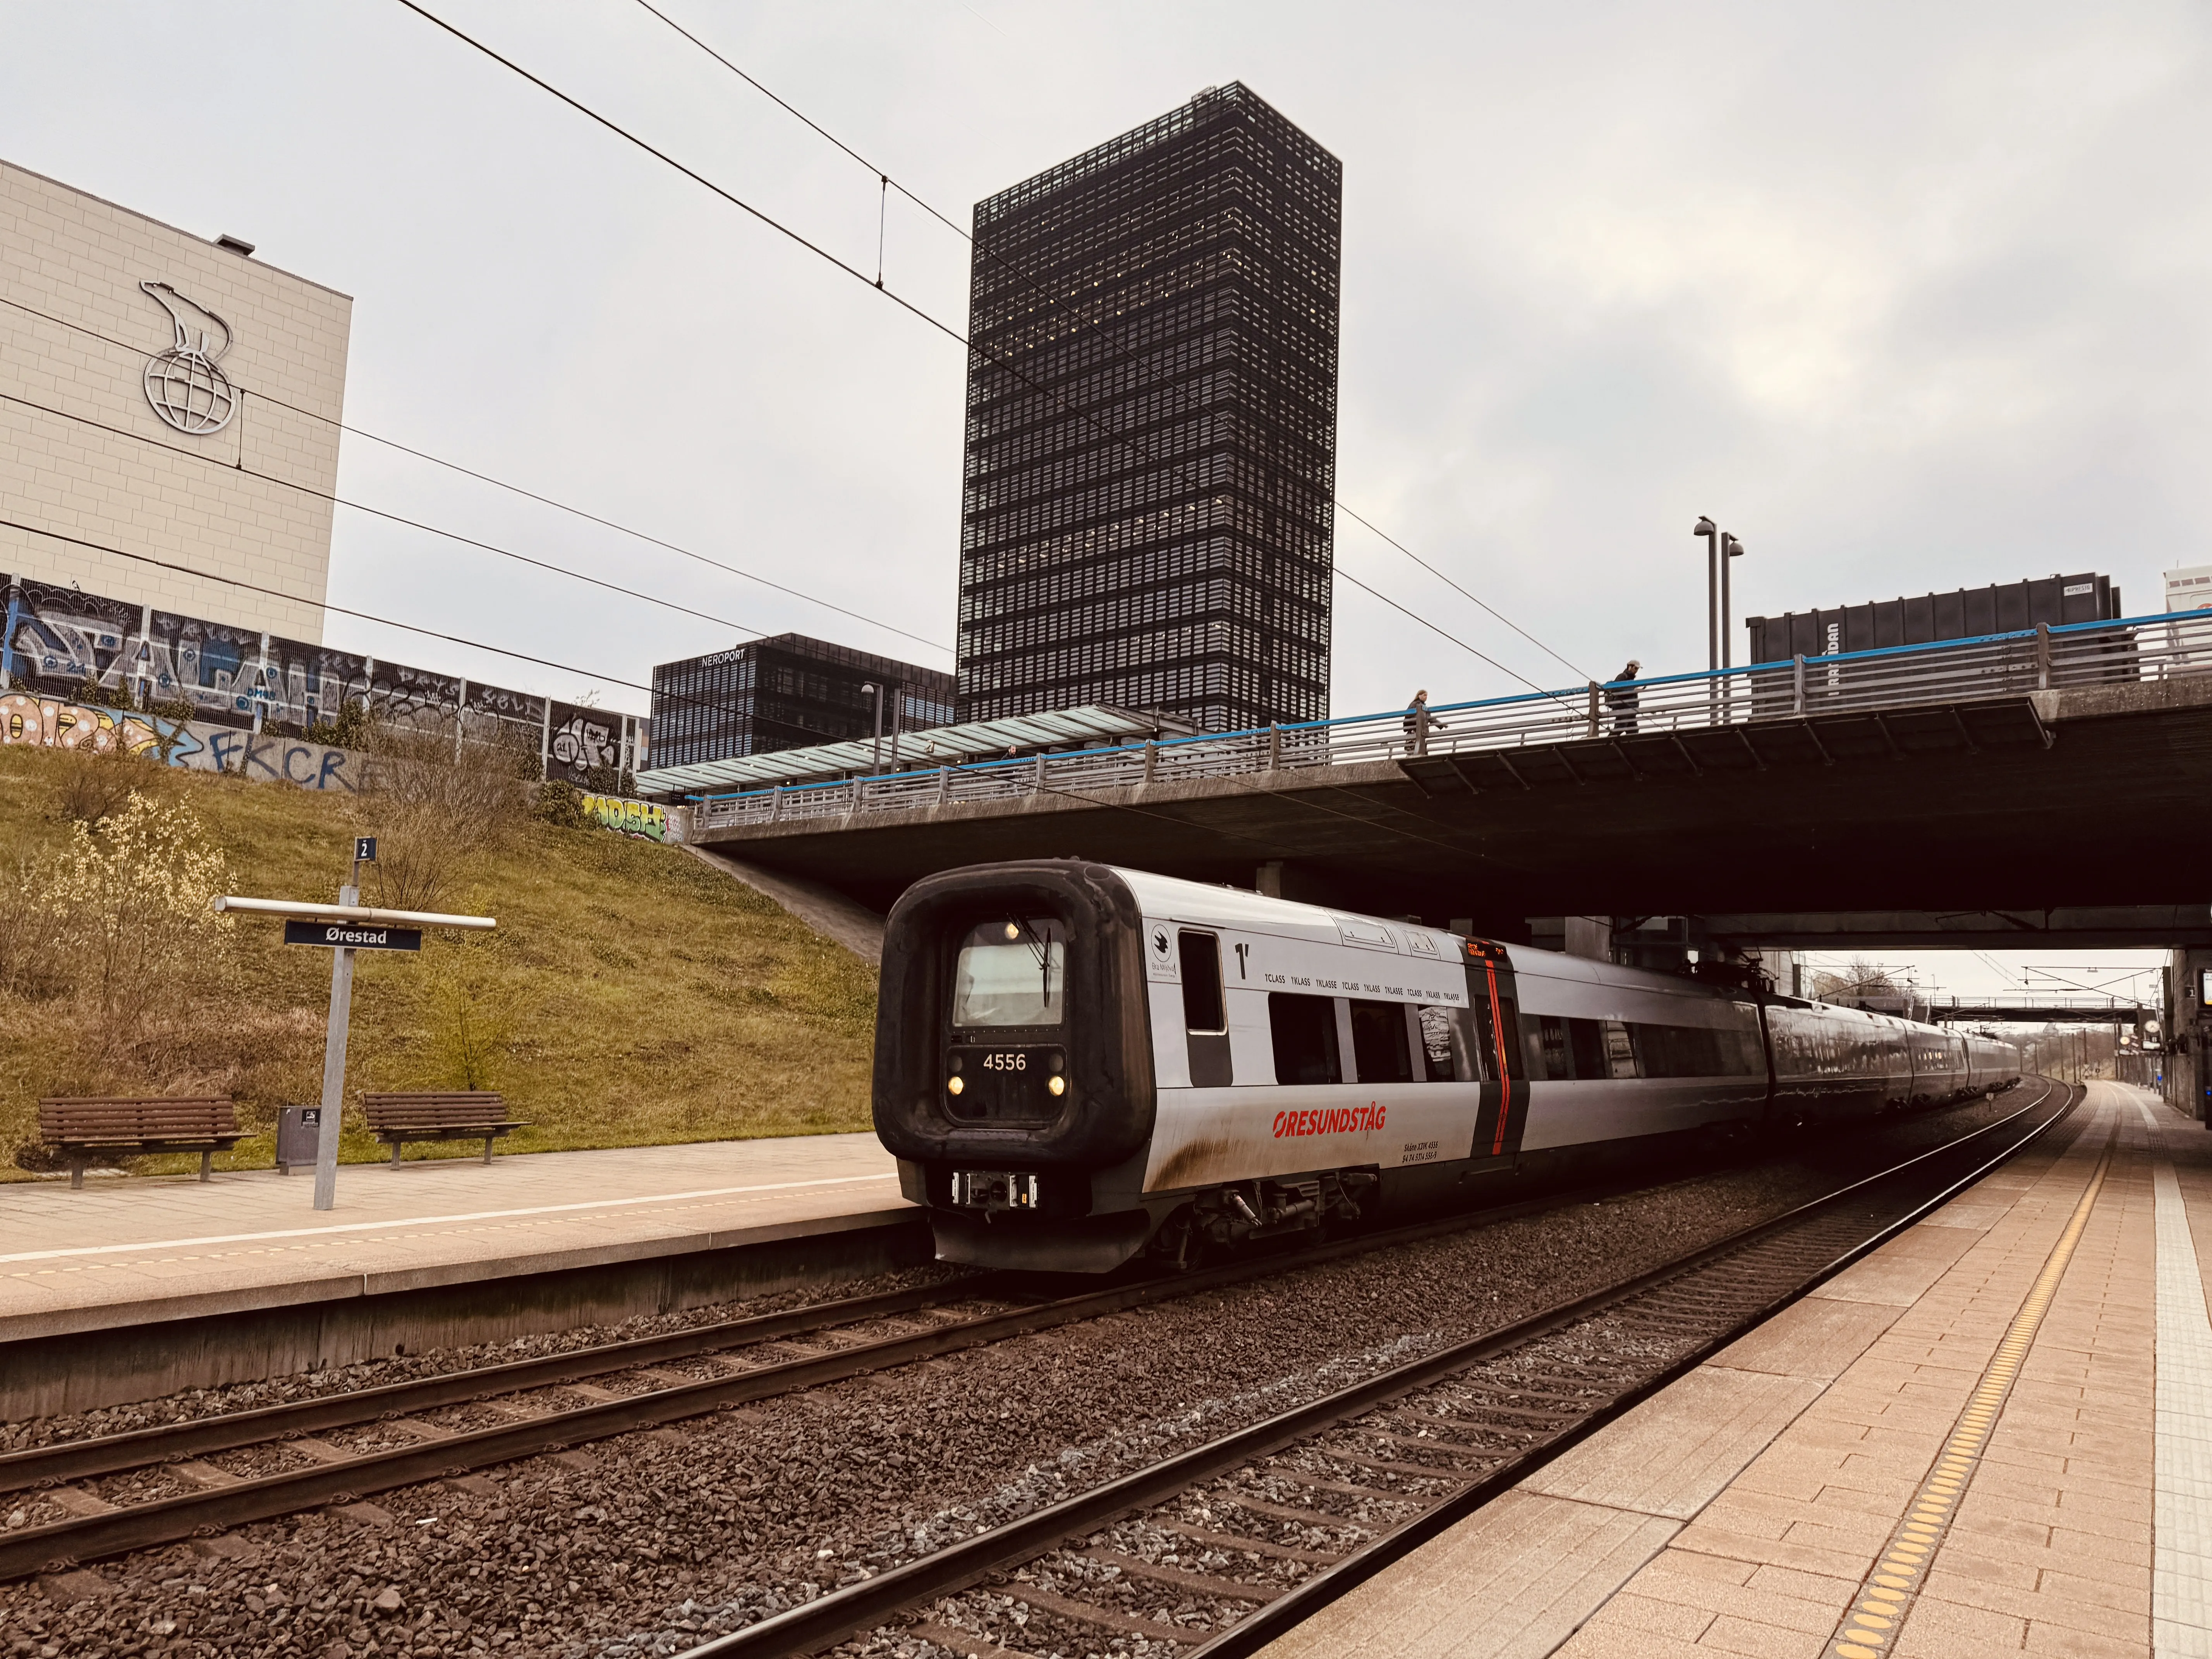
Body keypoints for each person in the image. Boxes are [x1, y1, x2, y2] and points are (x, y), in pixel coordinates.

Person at [1403, 689, 1446, 755]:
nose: (1426, 697)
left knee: (1420, 750)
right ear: (1419, 696)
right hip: (1414, 730)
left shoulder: (1424, 707)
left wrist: (1441, 725)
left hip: (1421, 731)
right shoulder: (1414, 704)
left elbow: (1430, 718)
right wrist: (1418, 721)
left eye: (1427, 696)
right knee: (1413, 749)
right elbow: (1408, 715)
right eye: (1424, 695)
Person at [1605, 659, 1642, 736]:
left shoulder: (1631, 680)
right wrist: (1633, 690)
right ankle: (1606, 743)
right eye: (1635, 668)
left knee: (1633, 730)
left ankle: (1630, 746)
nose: (1636, 671)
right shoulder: (1622, 676)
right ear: (1630, 667)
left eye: (1637, 669)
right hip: (1623, 707)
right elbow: (1616, 689)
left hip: (1630, 708)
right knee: (1621, 727)